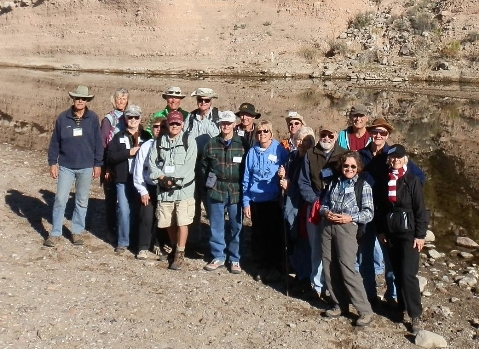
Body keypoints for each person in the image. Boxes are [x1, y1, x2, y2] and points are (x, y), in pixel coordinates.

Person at [359, 118, 425, 306]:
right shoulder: (361, 154)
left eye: (383, 133)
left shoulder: (394, 154)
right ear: (369, 134)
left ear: (387, 135)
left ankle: (392, 296)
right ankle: (370, 294)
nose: (378, 136)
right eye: (375, 132)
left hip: (387, 215)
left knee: (390, 259)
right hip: (366, 212)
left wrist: (404, 195)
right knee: (365, 255)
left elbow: (418, 177)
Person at [374, 144, 428, 335]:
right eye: (392, 157)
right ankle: (401, 307)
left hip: (409, 233)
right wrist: (381, 231)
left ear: (405, 159)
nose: (395, 160)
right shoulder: (385, 180)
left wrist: (420, 235)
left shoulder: (412, 181)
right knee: (396, 272)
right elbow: (381, 208)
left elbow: (421, 210)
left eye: (399, 157)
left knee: (408, 274)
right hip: (391, 232)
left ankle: (416, 314)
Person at [320, 151, 375, 327]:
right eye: (346, 166)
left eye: (352, 166)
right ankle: (339, 304)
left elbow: (369, 213)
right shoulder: (335, 182)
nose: (349, 169)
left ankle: (365, 310)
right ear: (341, 166)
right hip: (328, 226)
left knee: (347, 268)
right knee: (329, 266)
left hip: (347, 228)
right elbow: (324, 203)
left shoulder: (363, 185)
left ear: (357, 167)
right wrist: (325, 211)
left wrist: (350, 218)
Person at [45, 85, 103, 247]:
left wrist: (98, 164)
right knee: (60, 199)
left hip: (86, 166)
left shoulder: (92, 118)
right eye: (78, 98)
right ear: (73, 99)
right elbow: (55, 142)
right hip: (66, 166)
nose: (80, 101)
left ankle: (76, 232)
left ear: (86, 101)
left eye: (83, 99)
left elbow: (98, 143)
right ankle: (55, 232)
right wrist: (52, 163)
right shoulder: (63, 118)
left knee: (81, 200)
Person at [298, 123, 346, 298]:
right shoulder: (310, 154)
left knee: (335, 249)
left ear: (336, 137)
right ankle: (317, 285)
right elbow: (303, 181)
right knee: (316, 247)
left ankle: (334, 286)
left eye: (330, 135)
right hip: (315, 204)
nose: (326, 138)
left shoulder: (344, 154)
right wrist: (314, 200)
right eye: (323, 135)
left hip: (337, 206)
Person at [148, 110, 197, 270]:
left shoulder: (189, 140)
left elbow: (190, 166)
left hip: (183, 190)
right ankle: (174, 246)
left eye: (177, 123)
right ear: (167, 124)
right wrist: (162, 178)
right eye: (172, 123)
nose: (174, 126)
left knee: (183, 221)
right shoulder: (159, 141)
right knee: (167, 220)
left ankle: (180, 253)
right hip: (164, 189)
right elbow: (152, 163)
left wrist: (173, 179)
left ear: (182, 124)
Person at [243, 120, 288, 282]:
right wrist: (246, 201)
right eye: (259, 132)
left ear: (271, 133)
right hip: (256, 200)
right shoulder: (252, 152)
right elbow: (246, 178)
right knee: (259, 235)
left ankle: (275, 267)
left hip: (273, 200)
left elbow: (287, 170)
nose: (262, 134)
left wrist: (284, 175)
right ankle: (261, 266)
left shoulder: (280, 150)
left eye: (265, 131)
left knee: (274, 235)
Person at [201, 111, 246, 274]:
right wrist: (207, 185)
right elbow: (203, 167)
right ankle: (218, 256)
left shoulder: (242, 144)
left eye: (229, 123)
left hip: (236, 191)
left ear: (234, 124)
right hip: (216, 189)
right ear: (219, 124)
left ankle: (235, 259)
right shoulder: (211, 143)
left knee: (236, 226)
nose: (226, 126)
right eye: (223, 123)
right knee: (216, 225)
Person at [107, 105, 151, 253]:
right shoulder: (118, 136)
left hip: (141, 180)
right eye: (129, 117)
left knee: (138, 211)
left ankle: (135, 241)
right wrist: (128, 152)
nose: (133, 120)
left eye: (136, 117)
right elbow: (111, 156)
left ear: (140, 118)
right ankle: (122, 242)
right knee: (124, 210)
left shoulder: (147, 137)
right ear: (125, 119)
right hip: (123, 179)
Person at [278, 126, 315, 292]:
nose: (302, 143)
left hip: (303, 204)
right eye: (299, 139)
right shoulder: (291, 156)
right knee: (292, 237)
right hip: (289, 203)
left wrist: (290, 186)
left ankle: (306, 276)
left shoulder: (311, 160)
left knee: (303, 239)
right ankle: (298, 272)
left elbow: (306, 185)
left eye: (306, 140)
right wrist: (282, 174)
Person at [184, 88, 221, 250]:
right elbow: (184, 138)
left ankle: (216, 243)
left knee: (212, 204)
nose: (203, 103)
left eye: (206, 100)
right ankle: (193, 241)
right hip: (193, 166)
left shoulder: (218, 117)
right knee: (193, 204)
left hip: (211, 167)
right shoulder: (190, 118)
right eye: (200, 100)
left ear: (211, 101)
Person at [133, 116, 169, 260]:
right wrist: (143, 191)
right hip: (148, 186)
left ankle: (159, 244)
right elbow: (138, 171)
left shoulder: (170, 145)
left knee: (163, 217)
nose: (158, 129)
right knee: (146, 217)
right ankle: (142, 247)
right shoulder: (146, 146)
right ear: (151, 129)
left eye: (162, 127)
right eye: (155, 127)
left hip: (164, 188)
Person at [100, 88, 128, 237]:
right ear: (114, 100)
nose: (121, 102)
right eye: (119, 99)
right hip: (110, 163)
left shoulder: (130, 117)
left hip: (125, 163)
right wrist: (106, 167)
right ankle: (111, 229)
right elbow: (103, 143)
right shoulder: (108, 119)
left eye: (124, 99)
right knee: (111, 198)